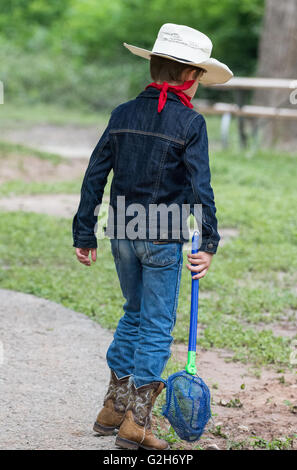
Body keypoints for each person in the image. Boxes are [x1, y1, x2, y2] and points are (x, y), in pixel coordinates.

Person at [72, 23, 233, 450]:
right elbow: (202, 187)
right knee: (158, 324)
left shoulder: (122, 113)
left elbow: (95, 173)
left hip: (122, 229)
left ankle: (112, 407)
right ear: (192, 77)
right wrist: (210, 242)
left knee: (134, 312)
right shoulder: (191, 121)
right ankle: (136, 423)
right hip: (162, 235)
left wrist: (84, 230)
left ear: (155, 65)